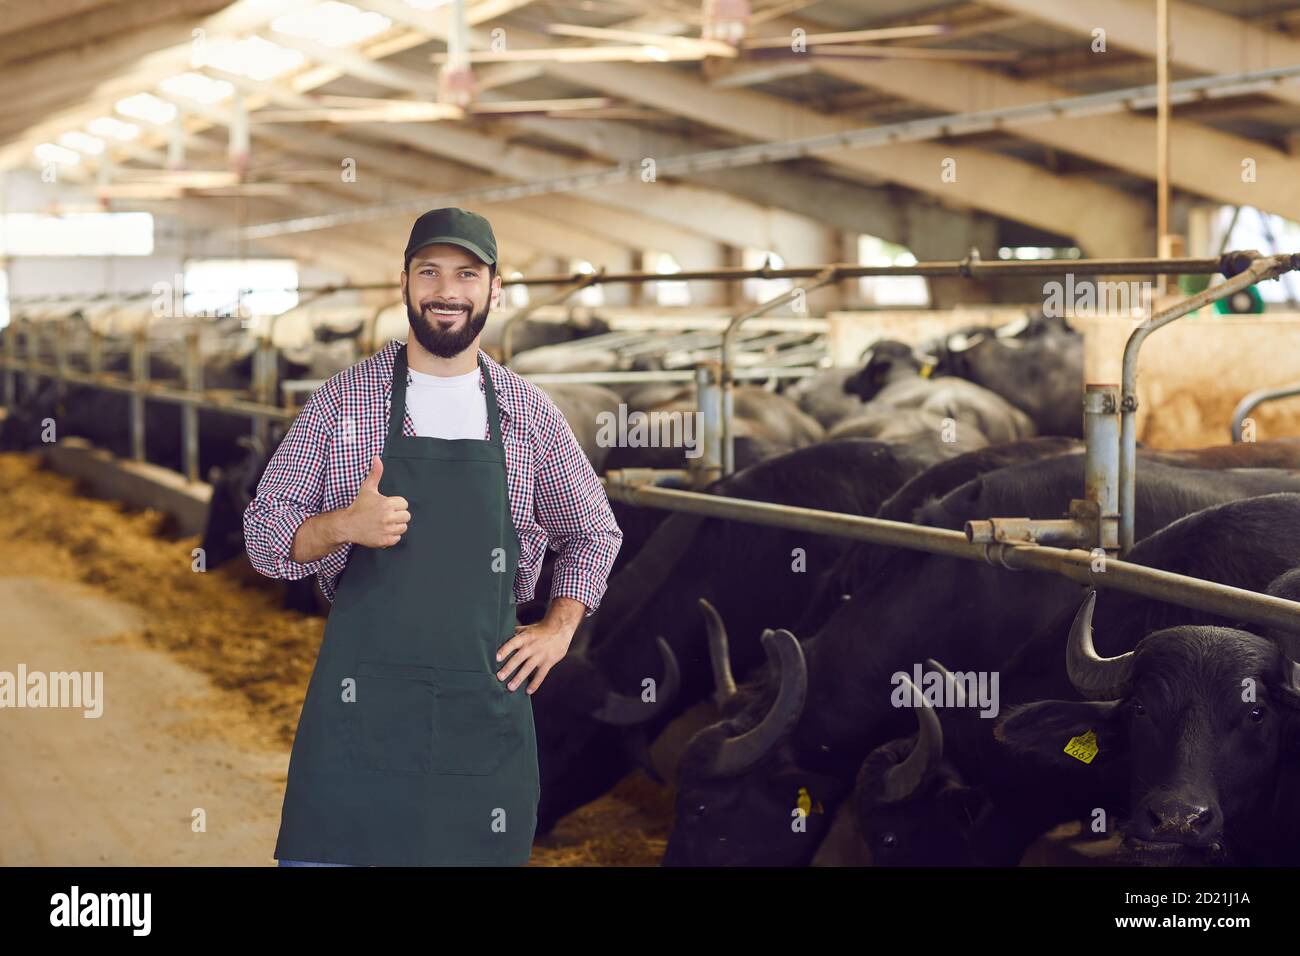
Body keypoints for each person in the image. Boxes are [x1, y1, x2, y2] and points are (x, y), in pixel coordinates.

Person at [243, 207, 622, 866]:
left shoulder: (529, 414)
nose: (447, 291)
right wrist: (342, 527)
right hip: (361, 716)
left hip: (481, 717)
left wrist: (560, 628)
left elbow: (593, 530)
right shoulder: (343, 401)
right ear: (405, 284)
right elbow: (263, 533)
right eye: (430, 272)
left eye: (467, 274)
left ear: (495, 289)